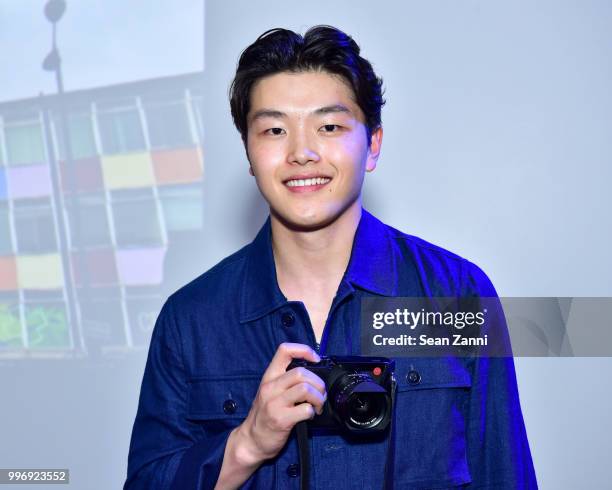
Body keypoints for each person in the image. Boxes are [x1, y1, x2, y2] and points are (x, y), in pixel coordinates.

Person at [125, 25, 537, 489]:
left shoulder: (455, 294)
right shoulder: (191, 319)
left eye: (329, 127)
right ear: (248, 151)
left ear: (373, 144)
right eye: (275, 129)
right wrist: (247, 444)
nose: (301, 152)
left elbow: (504, 473)